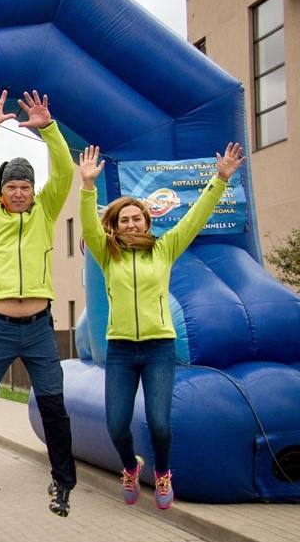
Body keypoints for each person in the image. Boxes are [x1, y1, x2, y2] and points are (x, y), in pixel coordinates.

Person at [78, 143, 246, 510]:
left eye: (136, 218)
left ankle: (164, 473)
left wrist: (219, 179)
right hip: (121, 349)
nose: (131, 223)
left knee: (160, 424)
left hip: (158, 348)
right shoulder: (108, 255)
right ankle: (128, 467)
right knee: (117, 425)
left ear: (146, 222)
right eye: (123, 220)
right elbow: (90, 225)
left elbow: (195, 218)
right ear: (116, 228)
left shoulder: (164, 249)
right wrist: (88, 186)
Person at [0, 86, 77, 516]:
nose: (19, 192)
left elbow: (63, 173)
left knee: (55, 406)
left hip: (40, 328)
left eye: (25, 186)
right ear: (2, 191)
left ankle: (62, 483)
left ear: (33, 190)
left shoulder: (45, 211)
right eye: (12, 186)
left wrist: (50, 131)